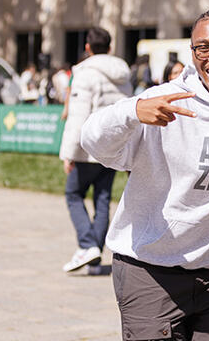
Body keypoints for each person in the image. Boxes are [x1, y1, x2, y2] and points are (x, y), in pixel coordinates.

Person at [80, 8, 209, 339]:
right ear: (192, 53)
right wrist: (132, 111)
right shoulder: (163, 100)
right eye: (203, 48)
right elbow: (92, 140)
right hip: (150, 272)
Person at [59, 27, 133, 275]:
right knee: (102, 199)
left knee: (73, 194)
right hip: (114, 148)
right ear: (110, 47)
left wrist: (68, 153)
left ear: (88, 48)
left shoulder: (85, 72)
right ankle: (93, 251)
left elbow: (78, 116)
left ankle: (87, 245)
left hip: (89, 148)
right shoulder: (123, 73)